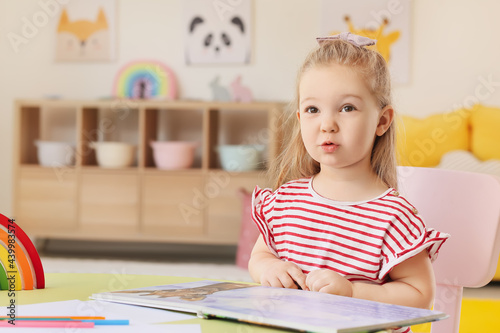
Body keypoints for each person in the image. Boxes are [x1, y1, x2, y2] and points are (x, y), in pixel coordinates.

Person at [248, 32, 449, 333]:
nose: (327, 124)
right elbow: (259, 256)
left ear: (382, 121)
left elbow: (420, 294)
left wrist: (354, 293)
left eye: (347, 108)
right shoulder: (286, 200)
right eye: (313, 110)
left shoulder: (393, 216)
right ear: (300, 120)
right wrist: (270, 268)